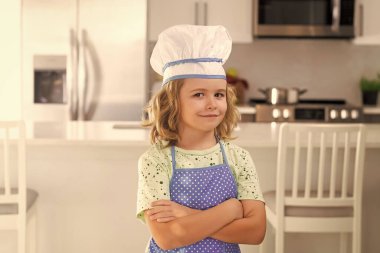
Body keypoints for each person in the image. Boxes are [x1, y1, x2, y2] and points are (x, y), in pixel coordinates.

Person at [136, 25, 266, 253]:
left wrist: (187, 215)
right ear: (172, 102)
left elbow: (255, 232)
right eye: (198, 95)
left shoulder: (239, 158)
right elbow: (167, 238)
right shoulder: (154, 161)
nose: (212, 104)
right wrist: (229, 211)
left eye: (218, 94)